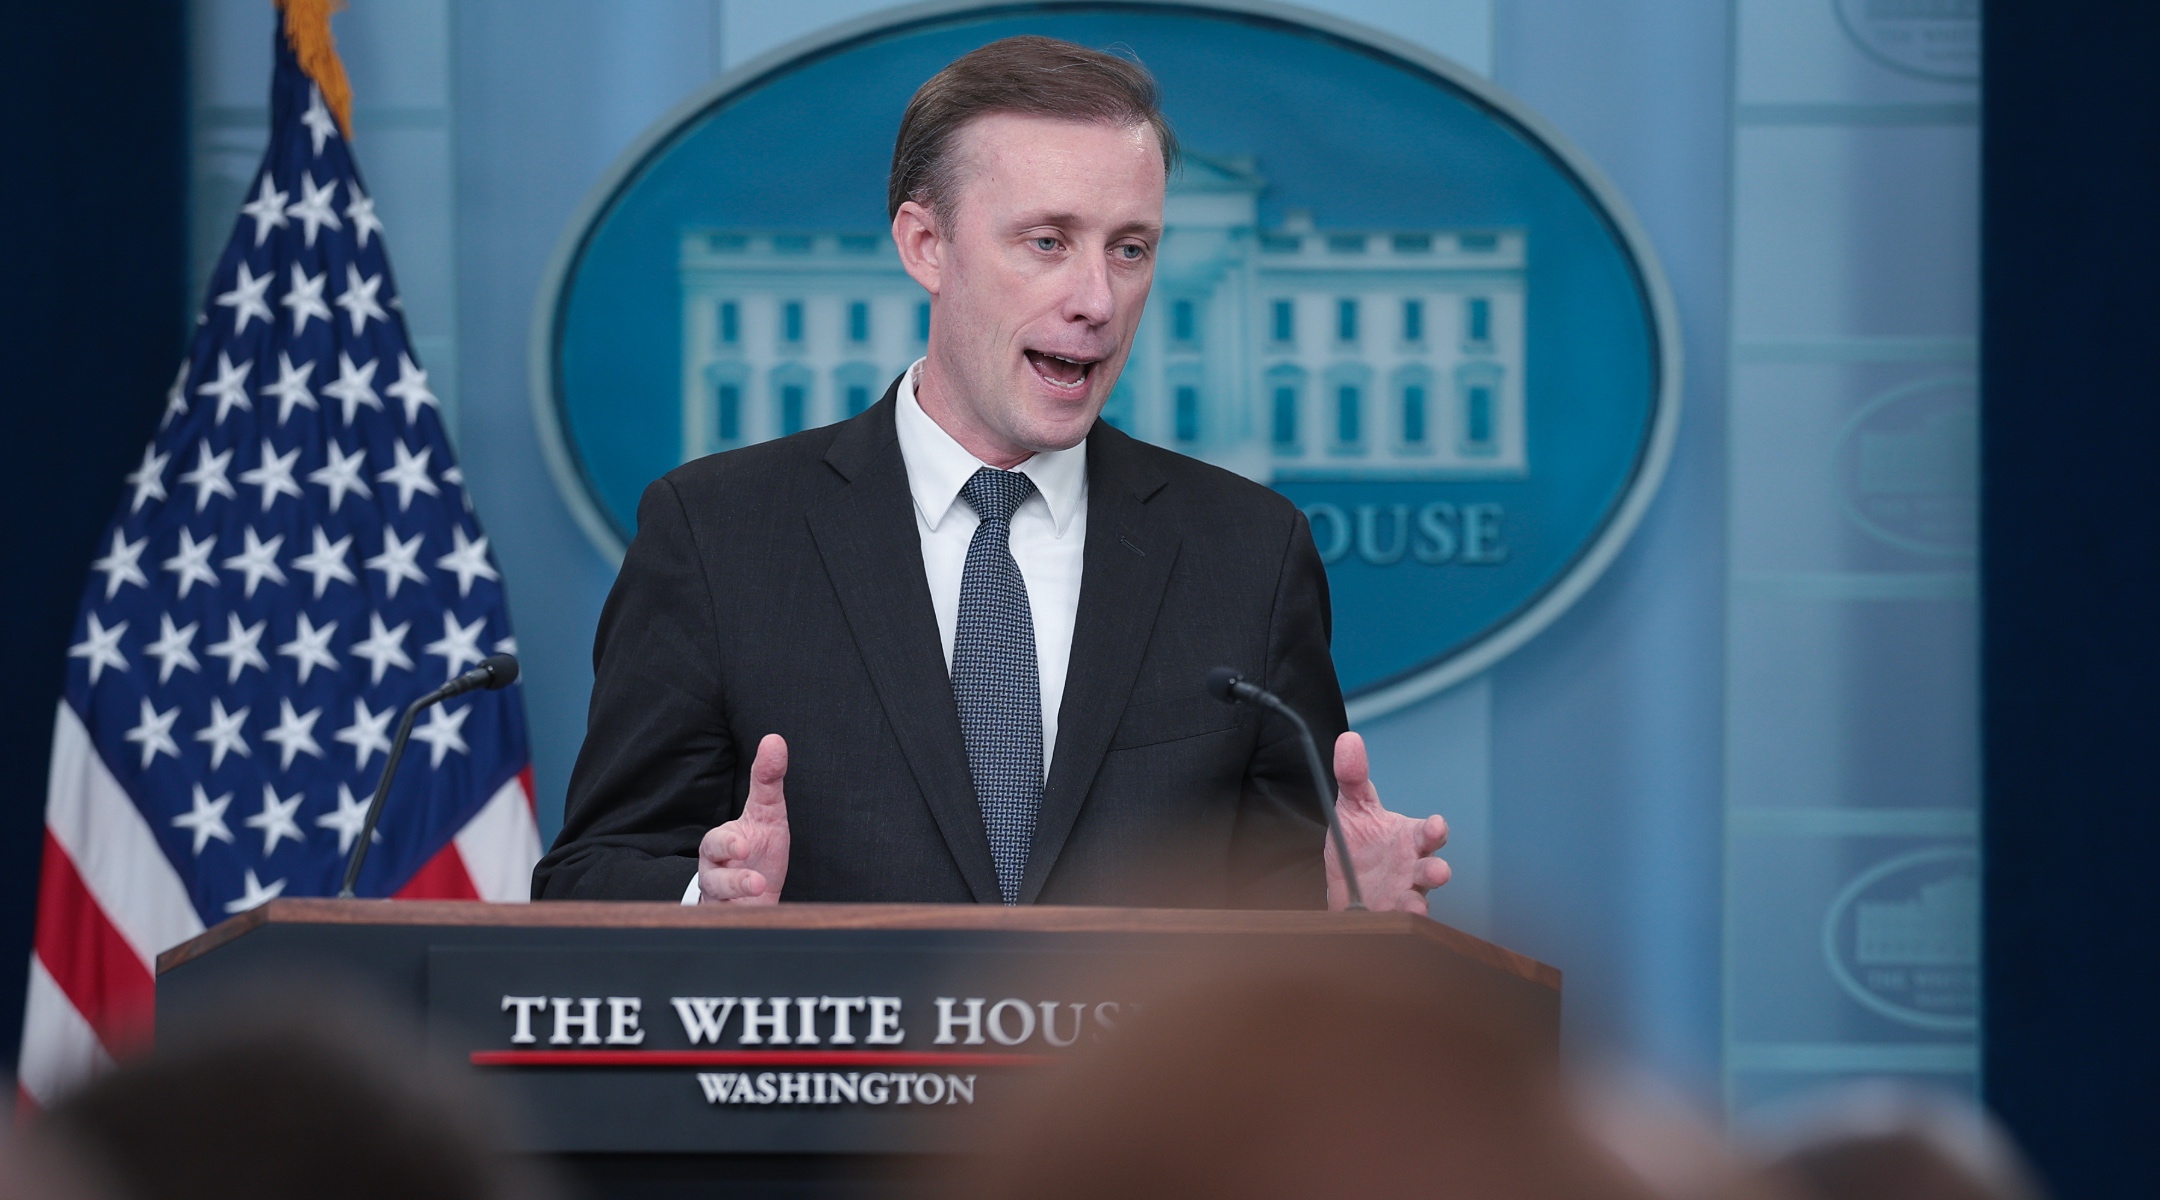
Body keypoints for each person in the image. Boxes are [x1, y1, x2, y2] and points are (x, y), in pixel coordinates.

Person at [535, 36, 1449, 911]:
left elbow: (1272, 903)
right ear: (926, 246)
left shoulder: (1249, 554)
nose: (1097, 300)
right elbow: (590, 874)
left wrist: (1329, 906)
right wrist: (708, 901)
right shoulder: (719, 534)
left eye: (1129, 248)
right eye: (1048, 241)